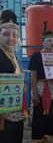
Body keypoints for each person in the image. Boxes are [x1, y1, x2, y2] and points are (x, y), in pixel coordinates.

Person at [28, 30, 53, 143]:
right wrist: (34, 93)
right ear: (42, 42)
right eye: (49, 40)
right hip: (40, 89)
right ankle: (38, 139)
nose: (52, 43)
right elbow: (33, 75)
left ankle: (49, 139)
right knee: (39, 117)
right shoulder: (36, 56)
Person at [0, 9, 27, 143]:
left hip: (16, 107)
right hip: (2, 111)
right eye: (6, 33)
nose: (11, 37)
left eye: (14, 34)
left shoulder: (14, 55)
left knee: (16, 137)